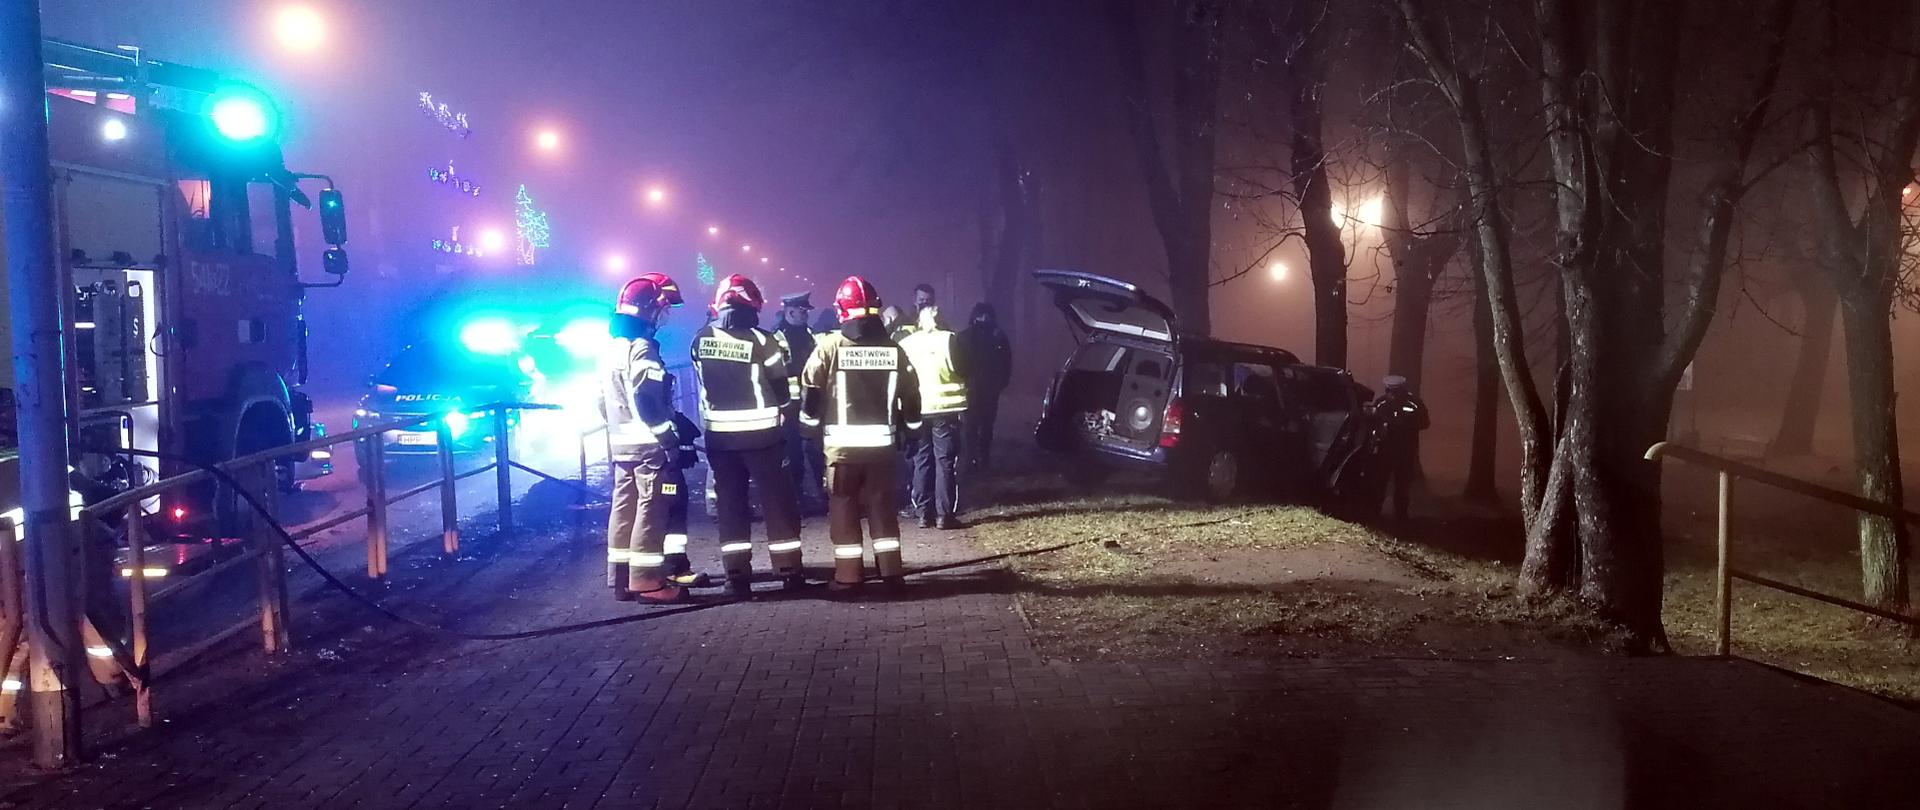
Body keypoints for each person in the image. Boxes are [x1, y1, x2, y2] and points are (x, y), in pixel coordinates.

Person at [802, 276, 921, 594]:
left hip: (841, 451)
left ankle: (849, 576)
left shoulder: (828, 347)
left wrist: (806, 433)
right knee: (882, 505)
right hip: (881, 450)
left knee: (843, 507)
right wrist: (912, 434)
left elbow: (811, 396)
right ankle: (892, 573)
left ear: (842, 309)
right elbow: (911, 398)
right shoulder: (894, 350)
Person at [693, 275, 805, 594]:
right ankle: (788, 570)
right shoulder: (763, 340)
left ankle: (737, 576)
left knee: (731, 506)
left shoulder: (700, 338)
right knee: (778, 503)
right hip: (763, 439)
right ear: (752, 305)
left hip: (720, 441)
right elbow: (781, 388)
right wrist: (786, 410)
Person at [600, 272, 696, 604]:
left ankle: (622, 579)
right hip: (649, 449)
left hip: (621, 446)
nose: (665, 315)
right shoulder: (642, 349)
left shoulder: (611, 348)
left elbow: (601, 403)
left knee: (623, 509)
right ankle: (647, 583)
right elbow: (647, 400)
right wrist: (669, 440)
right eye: (663, 308)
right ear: (649, 311)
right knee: (651, 510)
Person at [899, 305, 969, 529]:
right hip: (945, 410)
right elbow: (964, 369)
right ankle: (944, 515)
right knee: (945, 461)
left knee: (921, 460)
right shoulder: (950, 339)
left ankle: (923, 513)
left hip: (916, 410)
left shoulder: (906, 344)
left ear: (919, 321)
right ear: (941, 320)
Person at [773, 292, 828, 515]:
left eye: (807, 311)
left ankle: (823, 496)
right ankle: (797, 499)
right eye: (802, 311)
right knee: (793, 453)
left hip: (811, 400)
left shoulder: (810, 334)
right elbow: (779, 372)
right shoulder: (778, 337)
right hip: (790, 405)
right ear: (790, 311)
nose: (806, 315)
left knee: (816, 450)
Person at [959, 302, 1011, 473]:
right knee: (983, 426)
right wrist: (1001, 383)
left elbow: (1006, 363)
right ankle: (981, 459)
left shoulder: (965, 336)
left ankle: (974, 460)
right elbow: (1006, 363)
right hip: (985, 388)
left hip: (975, 388)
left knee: (974, 426)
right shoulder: (997, 336)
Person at [1373, 375, 1430, 522]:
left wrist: (1406, 425)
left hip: (1405, 451)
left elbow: (1425, 422)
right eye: (1389, 391)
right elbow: (1373, 422)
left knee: (1402, 485)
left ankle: (1401, 516)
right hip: (1385, 451)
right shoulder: (1381, 403)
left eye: (1394, 392)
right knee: (1380, 482)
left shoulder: (1414, 403)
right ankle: (1375, 512)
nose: (1391, 394)